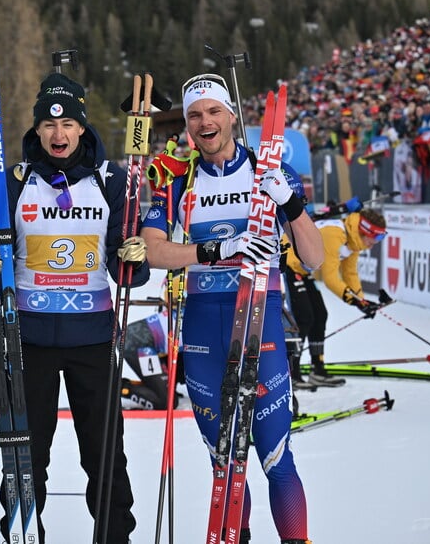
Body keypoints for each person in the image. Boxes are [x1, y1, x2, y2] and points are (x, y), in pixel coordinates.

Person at [141, 73, 324, 544]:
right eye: (195, 115)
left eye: (213, 111)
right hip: (205, 330)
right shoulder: (177, 180)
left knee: (275, 457)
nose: (205, 122)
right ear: (186, 124)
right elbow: (154, 251)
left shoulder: (270, 172)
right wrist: (216, 250)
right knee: (225, 463)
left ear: (231, 115)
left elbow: (317, 258)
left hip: (261, 326)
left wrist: (294, 205)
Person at [0, 72, 149, 543]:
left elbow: (129, 267)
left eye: (67, 125)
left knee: (103, 454)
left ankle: (114, 535)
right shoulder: (15, 183)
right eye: (48, 126)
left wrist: (133, 259)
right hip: (28, 341)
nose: (58, 135)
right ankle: (21, 532)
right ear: (37, 130)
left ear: (82, 128)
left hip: (92, 340)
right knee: (26, 454)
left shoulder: (112, 180)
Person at [284, 207, 392, 388]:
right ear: (365, 230)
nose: (376, 242)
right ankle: (291, 374)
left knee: (320, 315)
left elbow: (350, 273)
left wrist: (362, 301)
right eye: (377, 237)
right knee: (304, 318)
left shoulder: (354, 240)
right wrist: (356, 301)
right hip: (288, 264)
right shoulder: (334, 234)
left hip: (302, 270)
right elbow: (330, 278)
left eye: (382, 237)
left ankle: (317, 370)